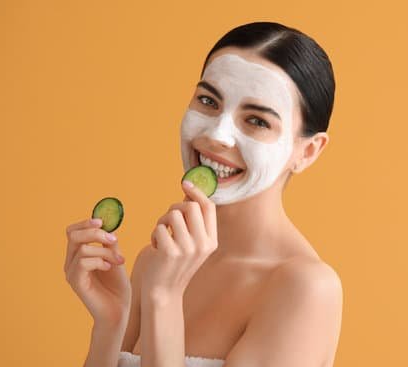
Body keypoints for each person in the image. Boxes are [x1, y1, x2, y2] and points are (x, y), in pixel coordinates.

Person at [64, 21, 342, 367]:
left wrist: (164, 299)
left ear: (308, 152)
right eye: (208, 101)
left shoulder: (306, 289)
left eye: (257, 121)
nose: (217, 135)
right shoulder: (156, 262)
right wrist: (109, 323)